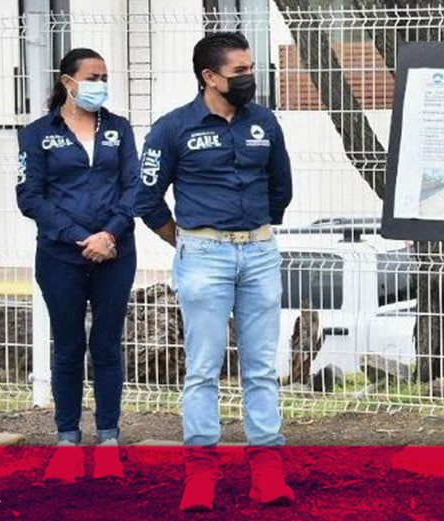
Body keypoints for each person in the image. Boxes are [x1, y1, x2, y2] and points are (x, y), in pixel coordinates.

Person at [134, 32, 293, 511]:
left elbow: (281, 188)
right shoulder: (173, 128)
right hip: (203, 255)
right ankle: (200, 475)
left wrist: (254, 229)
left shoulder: (264, 122)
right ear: (209, 77)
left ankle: (267, 473)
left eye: (250, 69)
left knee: (262, 369)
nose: (249, 78)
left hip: (260, 252)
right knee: (203, 369)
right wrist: (186, 241)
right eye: (239, 71)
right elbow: (146, 196)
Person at [16, 48, 138, 482]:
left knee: (106, 346)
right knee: (67, 346)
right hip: (60, 256)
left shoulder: (119, 129)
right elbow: (30, 197)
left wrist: (109, 235)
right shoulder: (37, 134)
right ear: (68, 82)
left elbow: (134, 188)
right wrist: (78, 237)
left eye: (104, 77)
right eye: (92, 77)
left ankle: (108, 439)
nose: (100, 84)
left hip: (115, 253)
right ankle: (67, 438)